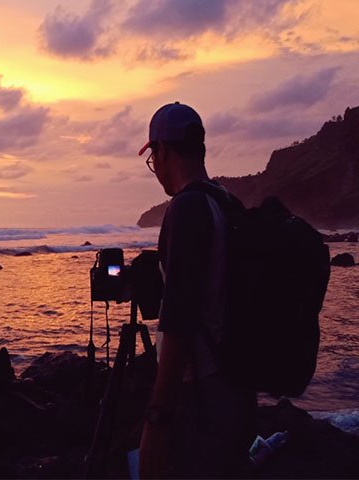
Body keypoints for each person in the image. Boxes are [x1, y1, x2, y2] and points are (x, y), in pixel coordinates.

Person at [136, 102, 257, 478]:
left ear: (164, 151)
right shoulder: (226, 202)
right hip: (237, 386)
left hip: (203, 397)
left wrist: (157, 419)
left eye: (153, 156)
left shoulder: (187, 208)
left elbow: (179, 322)